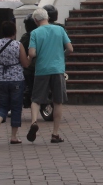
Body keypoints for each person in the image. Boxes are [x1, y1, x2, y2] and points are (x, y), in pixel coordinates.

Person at [27, 8, 74, 143]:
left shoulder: (35, 33)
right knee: (57, 101)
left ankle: (34, 122)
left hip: (42, 69)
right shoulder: (59, 30)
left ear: (35, 20)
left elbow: (32, 53)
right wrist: (61, 56)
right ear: (47, 17)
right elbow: (70, 48)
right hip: (57, 69)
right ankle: (55, 134)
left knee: (36, 99)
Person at [0, 21, 30, 145]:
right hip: (16, 79)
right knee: (16, 107)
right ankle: (14, 136)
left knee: (3, 105)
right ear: (14, 32)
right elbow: (25, 64)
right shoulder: (18, 45)